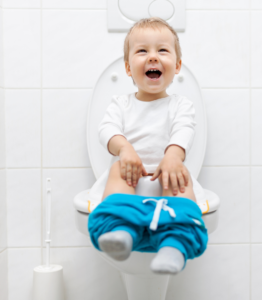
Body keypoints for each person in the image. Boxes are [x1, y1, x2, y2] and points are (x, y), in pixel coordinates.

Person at [88, 17, 208, 275]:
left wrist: (173, 156)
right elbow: (106, 129)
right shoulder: (121, 103)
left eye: (162, 50)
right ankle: (121, 232)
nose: (152, 57)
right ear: (129, 68)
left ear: (177, 66)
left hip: (168, 180)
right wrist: (124, 149)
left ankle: (174, 246)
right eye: (142, 50)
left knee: (180, 176)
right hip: (129, 181)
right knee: (118, 170)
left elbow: (184, 129)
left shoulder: (181, 104)